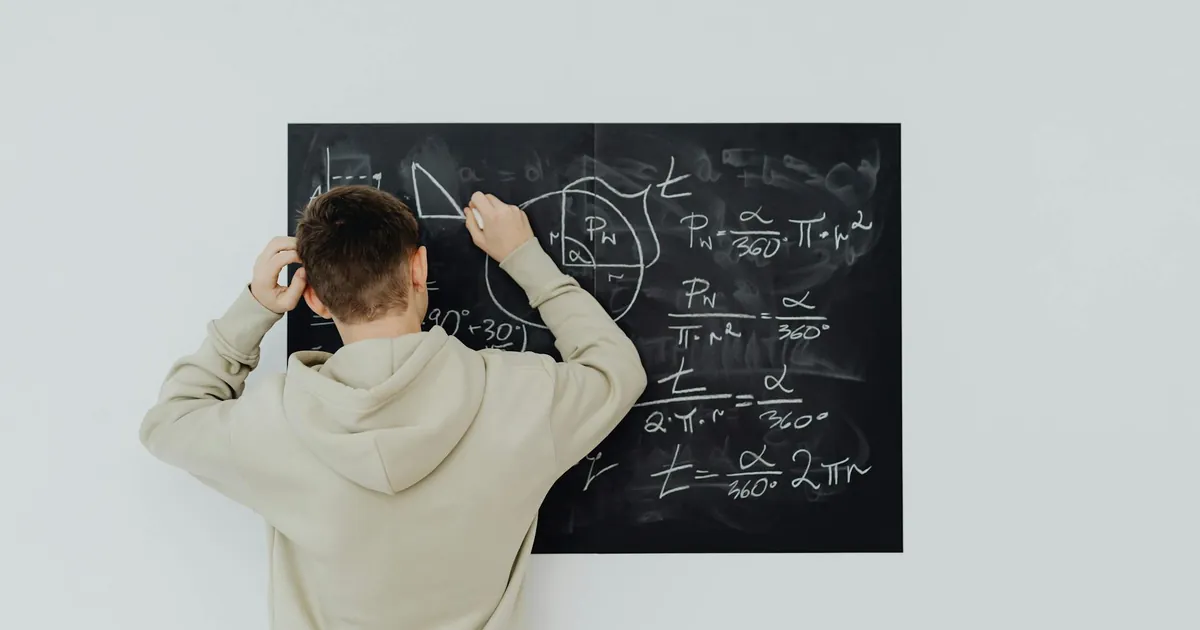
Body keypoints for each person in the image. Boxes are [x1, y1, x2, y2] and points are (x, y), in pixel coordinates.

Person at [139, 186, 648, 629]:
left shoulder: (276, 424)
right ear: (418, 268)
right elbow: (616, 371)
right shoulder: (518, 396)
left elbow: (169, 422)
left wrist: (254, 307)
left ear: (312, 297)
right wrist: (524, 256)